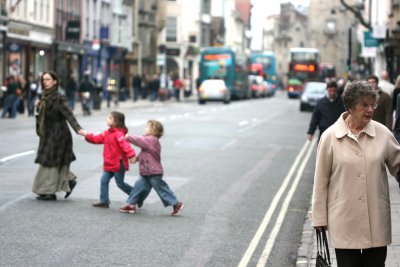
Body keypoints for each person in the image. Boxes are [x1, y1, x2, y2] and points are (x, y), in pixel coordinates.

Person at [311, 80, 400, 267]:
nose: (370, 110)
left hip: (376, 219)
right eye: (364, 105)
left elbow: (398, 165)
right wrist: (319, 217)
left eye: (372, 105)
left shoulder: (382, 134)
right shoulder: (330, 137)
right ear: (350, 106)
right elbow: (321, 181)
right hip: (344, 219)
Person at [32, 71, 85, 201]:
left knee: (50, 163)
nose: (45, 81)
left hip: (59, 135)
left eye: (48, 79)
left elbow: (68, 114)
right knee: (51, 161)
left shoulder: (58, 97)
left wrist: (78, 129)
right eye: (43, 79)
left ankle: (49, 192)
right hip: (48, 134)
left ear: (55, 81)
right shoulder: (45, 97)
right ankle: (69, 180)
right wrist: (39, 107)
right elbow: (44, 116)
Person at [119, 120, 184, 216]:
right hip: (146, 171)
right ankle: (131, 205)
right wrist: (136, 158)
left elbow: (139, 140)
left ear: (154, 131)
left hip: (153, 172)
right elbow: (145, 154)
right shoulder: (149, 142)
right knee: (138, 187)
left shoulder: (151, 140)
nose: (145, 128)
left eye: (147, 127)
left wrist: (128, 137)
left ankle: (176, 204)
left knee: (161, 189)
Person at [80, 111, 136, 208]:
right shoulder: (107, 133)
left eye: (110, 118)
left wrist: (131, 155)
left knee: (120, 184)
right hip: (109, 164)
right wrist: (86, 135)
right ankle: (104, 201)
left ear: (116, 122)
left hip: (118, 164)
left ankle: (136, 196)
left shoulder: (119, 134)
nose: (107, 119)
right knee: (103, 180)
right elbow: (96, 139)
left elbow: (125, 145)